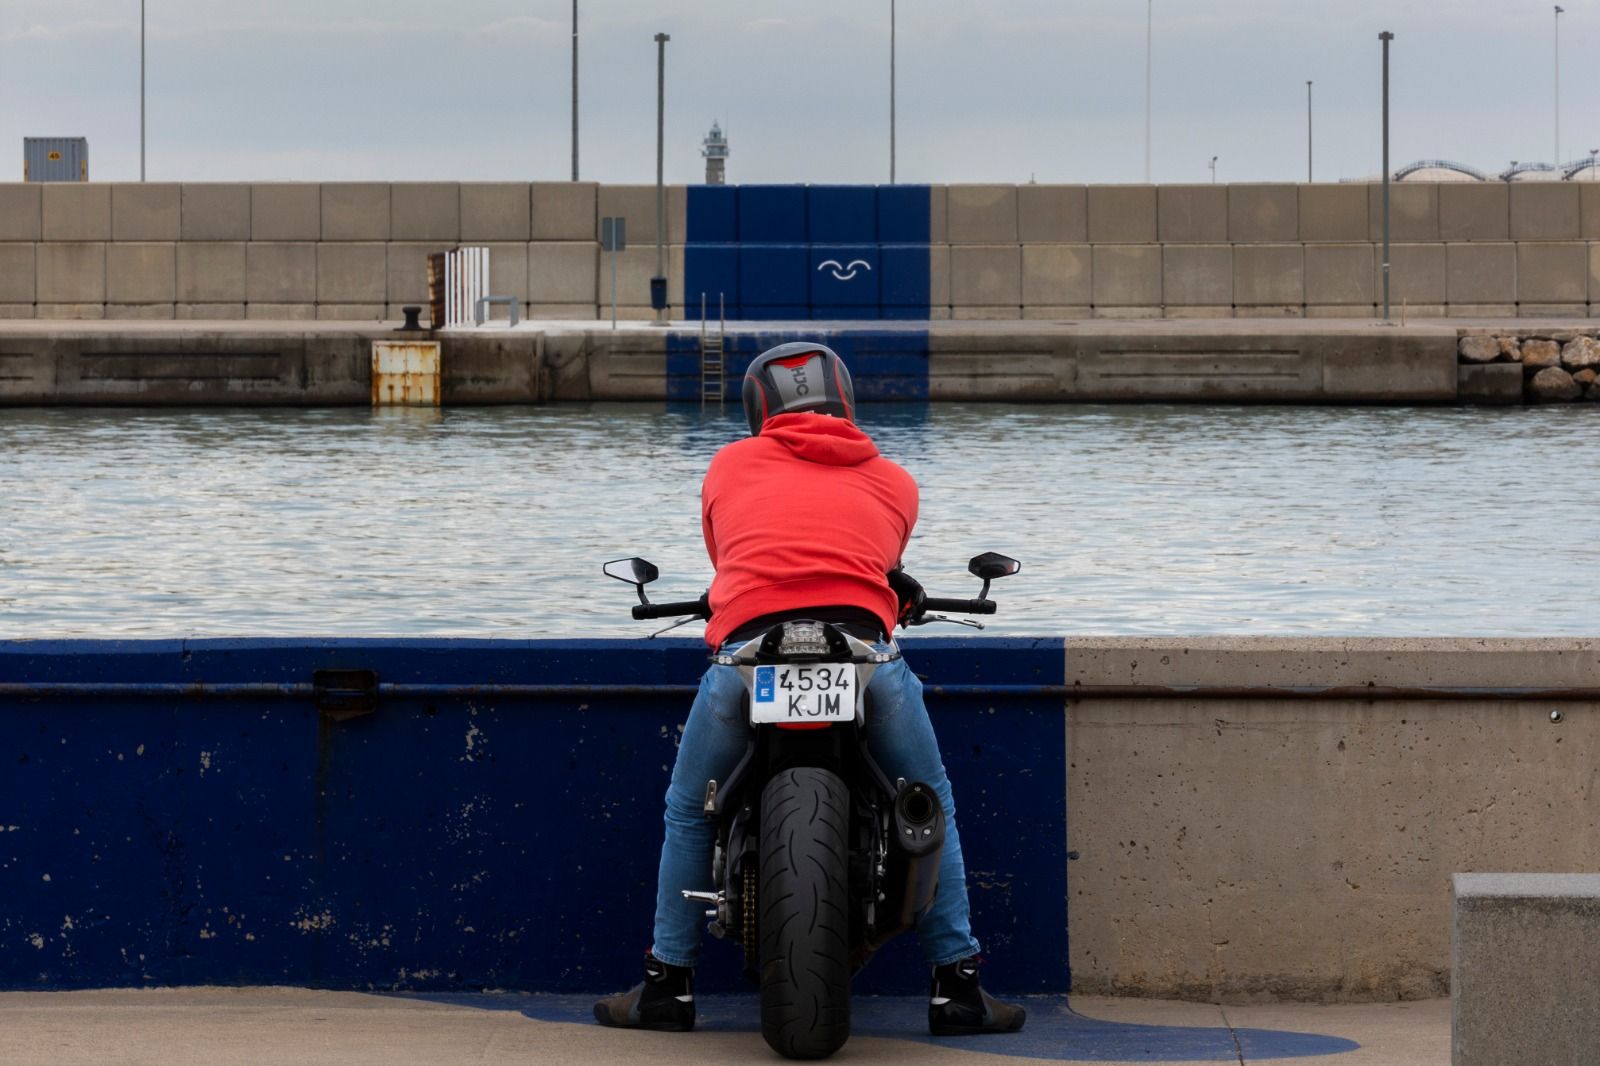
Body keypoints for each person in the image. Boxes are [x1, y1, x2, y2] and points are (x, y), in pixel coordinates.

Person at [593, 342, 1025, 1037]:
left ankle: (666, 985)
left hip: (746, 660)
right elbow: (880, 561)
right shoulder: (894, 480)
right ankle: (960, 987)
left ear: (758, 406)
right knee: (929, 803)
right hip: (864, 658)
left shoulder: (728, 466)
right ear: (845, 399)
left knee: (688, 811)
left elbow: (731, 552)